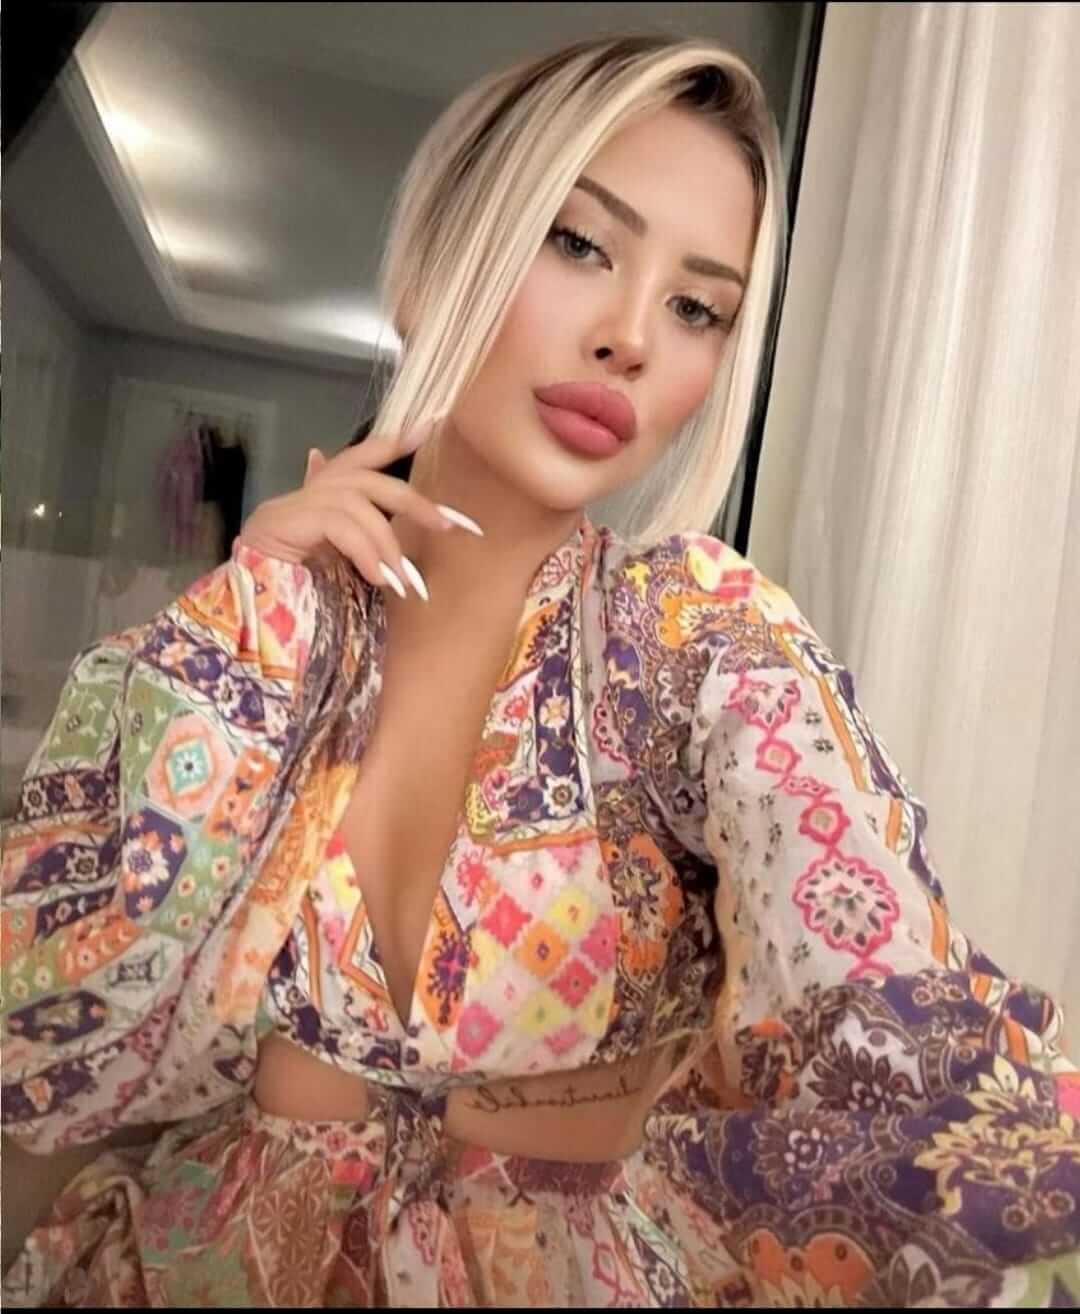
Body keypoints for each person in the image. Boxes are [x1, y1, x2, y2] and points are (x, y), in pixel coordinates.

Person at [2, 31, 1078, 1309]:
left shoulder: (693, 639)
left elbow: (887, 1006)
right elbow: (56, 1064)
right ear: (435, 258)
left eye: (697, 308)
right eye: (580, 243)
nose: (630, 338)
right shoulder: (258, 637)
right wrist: (236, 646)